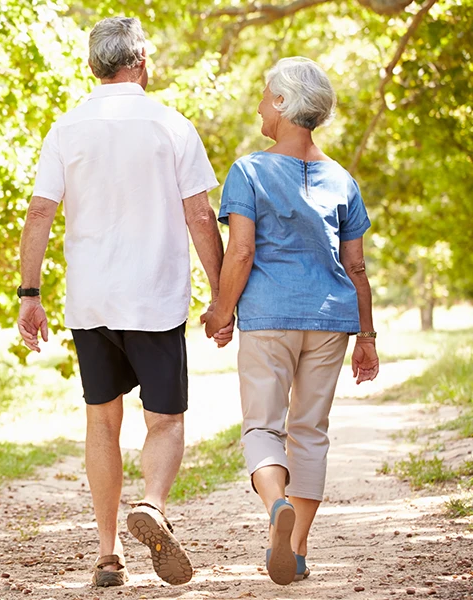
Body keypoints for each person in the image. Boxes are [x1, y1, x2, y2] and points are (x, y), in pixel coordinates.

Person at [17, 16, 225, 588]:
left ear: (94, 66)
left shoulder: (66, 129)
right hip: (154, 298)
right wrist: (221, 295)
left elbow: (39, 211)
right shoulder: (171, 125)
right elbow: (200, 215)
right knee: (165, 420)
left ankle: (108, 555)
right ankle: (152, 504)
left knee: (101, 422)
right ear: (141, 62)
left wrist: (30, 294)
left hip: (92, 301)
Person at [203, 57, 380, 585]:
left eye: (265, 95)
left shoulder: (249, 171)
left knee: (263, 426)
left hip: (269, 318)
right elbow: (356, 267)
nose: (260, 105)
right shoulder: (343, 179)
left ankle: (275, 504)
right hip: (330, 321)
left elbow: (241, 253)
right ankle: (297, 547)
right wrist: (367, 336)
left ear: (282, 103)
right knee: (309, 431)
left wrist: (220, 311)